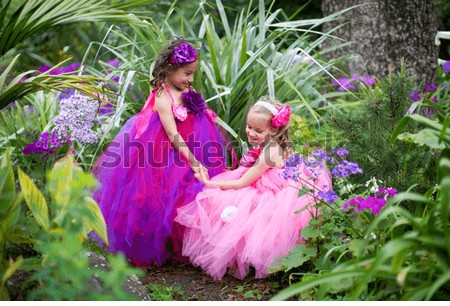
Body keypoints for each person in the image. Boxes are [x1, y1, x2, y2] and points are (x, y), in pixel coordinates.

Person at [92, 37, 235, 267]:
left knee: (187, 194)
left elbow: (193, 114)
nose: (190, 79)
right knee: (158, 196)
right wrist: (193, 160)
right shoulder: (162, 96)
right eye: (187, 73)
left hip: (191, 144)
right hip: (161, 153)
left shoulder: (185, 88)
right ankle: (155, 245)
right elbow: (172, 135)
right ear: (169, 69)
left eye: (192, 74)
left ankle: (186, 242)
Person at [175, 98, 332, 280]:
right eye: (249, 127)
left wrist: (210, 184)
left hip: (271, 192)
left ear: (274, 129)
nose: (251, 133)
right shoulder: (271, 144)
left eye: (258, 130)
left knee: (223, 200)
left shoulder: (270, 152)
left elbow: (242, 183)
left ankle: (243, 258)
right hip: (265, 184)